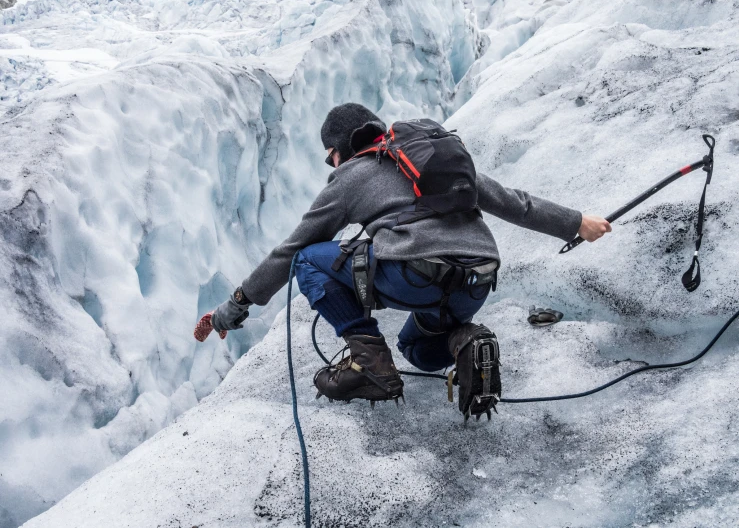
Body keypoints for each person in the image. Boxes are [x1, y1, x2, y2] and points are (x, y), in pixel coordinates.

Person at [194, 103, 611, 419]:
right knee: (416, 348)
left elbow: (291, 250)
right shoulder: (431, 161)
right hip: (475, 282)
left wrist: (234, 307)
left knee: (308, 259)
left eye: (329, 155)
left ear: (340, 149)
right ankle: (467, 342)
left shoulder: (351, 176)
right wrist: (576, 223)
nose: (331, 164)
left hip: (416, 274)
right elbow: (513, 203)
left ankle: (368, 362)